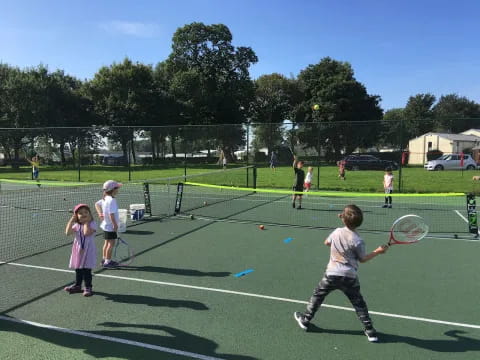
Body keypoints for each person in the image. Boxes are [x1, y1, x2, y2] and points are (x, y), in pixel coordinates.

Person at [293, 205, 388, 342]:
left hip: (331, 274)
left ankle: (306, 319)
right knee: (359, 304)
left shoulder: (337, 232)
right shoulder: (358, 240)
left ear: (343, 219)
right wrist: (378, 251)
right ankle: (370, 331)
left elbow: (326, 242)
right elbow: (362, 259)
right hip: (349, 277)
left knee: (318, 296)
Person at [64, 204, 97, 297]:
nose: (83, 214)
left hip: (88, 250)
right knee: (78, 269)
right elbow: (67, 233)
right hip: (78, 250)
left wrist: (86, 222)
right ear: (76, 216)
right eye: (80, 213)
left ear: (90, 214)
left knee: (86, 270)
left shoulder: (92, 224)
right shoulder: (76, 225)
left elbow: (86, 233)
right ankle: (77, 285)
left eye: (86, 212)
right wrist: (71, 220)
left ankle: (88, 287)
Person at [99, 180, 122, 268]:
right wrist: (115, 225)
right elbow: (111, 214)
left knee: (106, 243)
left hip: (106, 225)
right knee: (111, 244)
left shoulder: (105, 198)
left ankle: (104, 259)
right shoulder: (111, 200)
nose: (118, 190)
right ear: (113, 189)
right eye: (117, 188)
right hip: (110, 226)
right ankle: (107, 262)